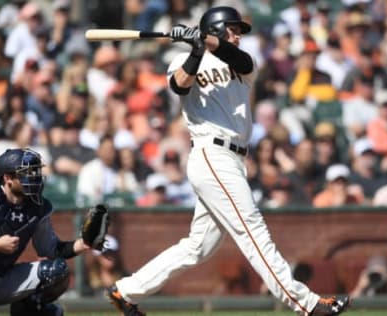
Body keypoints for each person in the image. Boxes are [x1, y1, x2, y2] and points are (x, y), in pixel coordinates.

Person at [106, 6, 349, 316]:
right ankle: (307, 304)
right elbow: (178, 85)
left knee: (199, 246)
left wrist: (204, 41)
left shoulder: (243, 63)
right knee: (252, 229)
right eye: (233, 29)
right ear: (218, 28)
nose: (238, 35)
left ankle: (126, 291)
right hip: (211, 153)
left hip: (233, 159)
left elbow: (241, 60)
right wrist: (195, 50)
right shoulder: (181, 60)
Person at [0, 148, 102, 315]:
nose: (34, 177)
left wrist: (84, 243)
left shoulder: (36, 208)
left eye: (34, 171)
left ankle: (27, 310)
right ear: (8, 178)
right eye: (26, 172)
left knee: (56, 271)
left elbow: (51, 250)